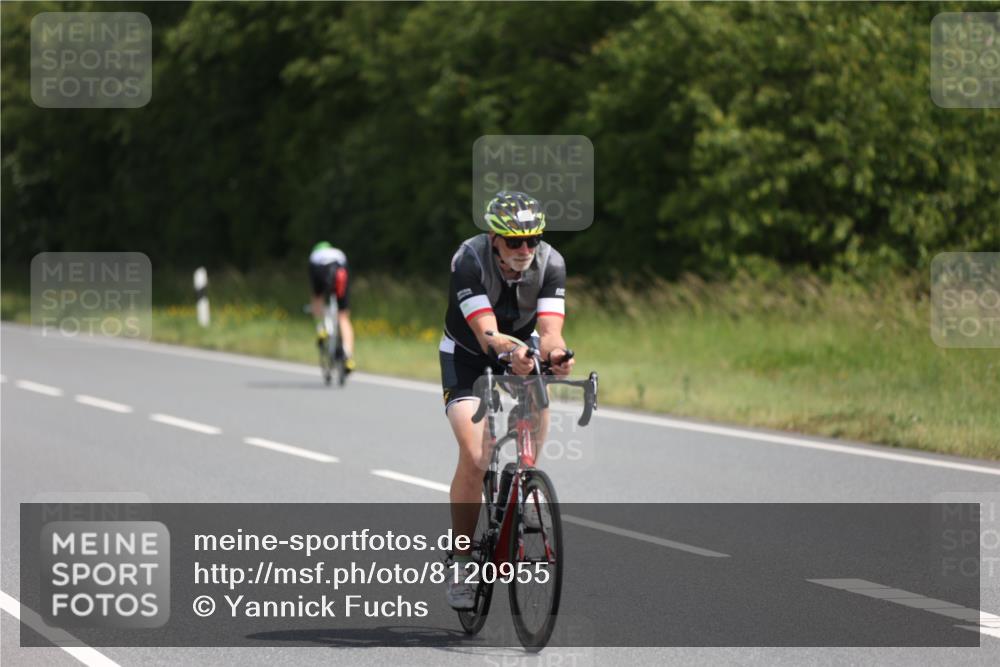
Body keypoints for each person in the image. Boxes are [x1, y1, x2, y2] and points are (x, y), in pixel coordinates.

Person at [440, 191, 575, 609]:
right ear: (494, 237)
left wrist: (554, 355)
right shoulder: (469, 260)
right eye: (514, 241)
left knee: (540, 397)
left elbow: (550, 331)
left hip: (522, 347)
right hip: (467, 355)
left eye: (532, 240)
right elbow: (486, 334)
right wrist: (511, 353)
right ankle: (462, 559)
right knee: (476, 454)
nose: (525, 250)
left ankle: (527, 481)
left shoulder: (551, 263)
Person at [308, 241, 355, 372]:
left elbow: (314, 286)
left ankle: (321, 329)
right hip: (340, 270)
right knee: (343, 316)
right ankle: (348, 356)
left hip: (320, 270)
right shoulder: (338, 253)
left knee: (317, 299)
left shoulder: (315, 255)